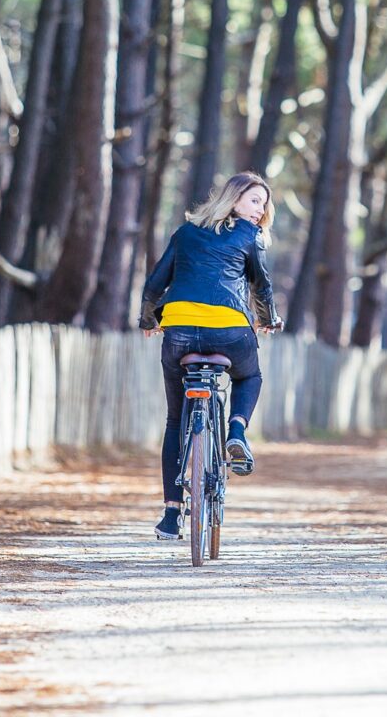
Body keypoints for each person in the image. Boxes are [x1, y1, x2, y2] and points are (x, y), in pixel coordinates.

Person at [139, 172, 283, 540]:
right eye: (254, 201)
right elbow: (261, 286)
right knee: (250, 376)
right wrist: (269, 320)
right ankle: (236, 429)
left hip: (180, 331)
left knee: (175, 421)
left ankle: (171, 515)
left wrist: (148, 320)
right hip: (230, 330)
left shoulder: (185, 232)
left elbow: (156, 282)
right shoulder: (249, 237)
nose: (260, 210)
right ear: (234, 200)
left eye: (263, 205)